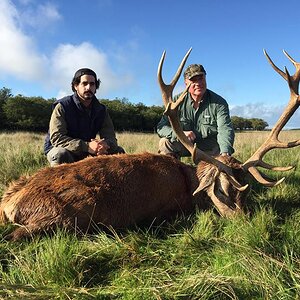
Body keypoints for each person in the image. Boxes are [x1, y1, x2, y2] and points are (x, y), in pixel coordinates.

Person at [44, 68, 125, 166]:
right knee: (60, 154)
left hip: (89, 150)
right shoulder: (63, 106)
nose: (88, 87)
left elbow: (111, 137)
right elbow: (57, 138)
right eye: (84, 83)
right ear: (76, 86)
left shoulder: (101, 110)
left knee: (119, 153)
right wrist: (87, 147)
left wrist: (104, 145)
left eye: (92, 84)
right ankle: (55, 181)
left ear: (96, 87)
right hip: (64, 148)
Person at [157, 63, 234, 159]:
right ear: (186, 82)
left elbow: (225, 129)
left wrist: (225, 153)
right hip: (184, 144)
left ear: (205, 78)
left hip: (210, 148)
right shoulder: (175, 102)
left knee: (221, 165)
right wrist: (180, 133)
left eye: (200, 78)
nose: (198, 83)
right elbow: (161, 127)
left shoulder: (219, 103)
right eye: (193, 80)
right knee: (165, 143)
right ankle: (173, 173)